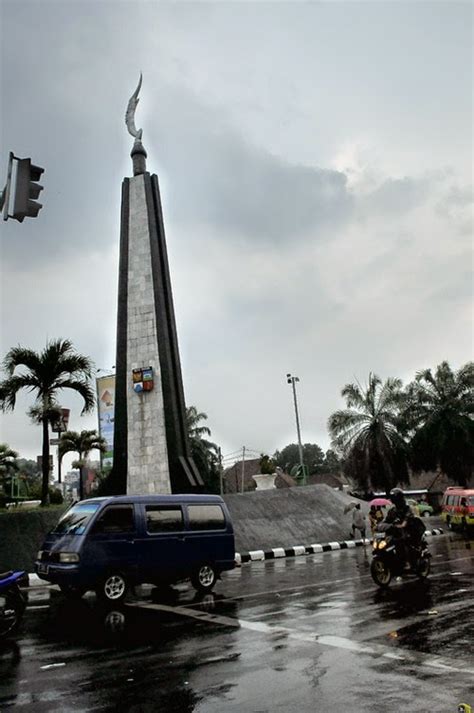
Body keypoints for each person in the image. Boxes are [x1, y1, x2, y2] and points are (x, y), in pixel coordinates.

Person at [384, 488, 424, 568]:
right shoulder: (392, 511)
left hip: (408, 532)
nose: (394, 501)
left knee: (402, 543)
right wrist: (380, 526)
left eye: (395, 498)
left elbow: (405, 522)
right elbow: (386, 520)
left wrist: (401, 525)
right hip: (396, 533)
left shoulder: (407, 509)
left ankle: (407, 561)